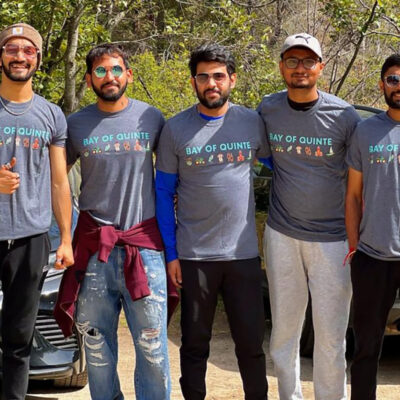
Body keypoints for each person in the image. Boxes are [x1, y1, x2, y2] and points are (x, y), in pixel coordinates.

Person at [54, 43, 172, 400]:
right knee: (96, 344)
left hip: (144, 248)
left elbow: (172, 175)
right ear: (89, 78)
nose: (110, 77)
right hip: (93, 251)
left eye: (117, 69)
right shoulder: (74, 125)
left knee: (152, 346)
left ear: (129, 75)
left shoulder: (151, 118)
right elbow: (56, 180)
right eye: (101, 71)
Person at [156, 43, 269, 400]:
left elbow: (281, 169)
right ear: (193, 82)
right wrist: (171, 254)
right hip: (194, 257)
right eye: (203, 76)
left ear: (232, 80)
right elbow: (162, 194)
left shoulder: (252, 122)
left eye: (218, 76)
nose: (211, 83)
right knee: (194, 346)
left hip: (243, 256)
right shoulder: (175, 129)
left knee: (251, 345)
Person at [257, 33, 360, 400]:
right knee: (284, 333)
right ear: (282, 65)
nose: (300, 69)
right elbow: (265, 158)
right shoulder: (267, 109)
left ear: (321, 66)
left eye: (307, 61)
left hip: (334, 241)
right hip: (282, 235)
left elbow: (359, 177)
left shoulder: (345, 116)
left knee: (331, 337)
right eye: (292, 61)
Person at [0, 23, 73, 400]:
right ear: (1, 56)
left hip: (30, 239)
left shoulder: (50, 114)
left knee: (18, 337)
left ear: (38, 60)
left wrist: (66, 239)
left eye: (28, 50)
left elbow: (60, 182)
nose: (19, 56)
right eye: (12, 49)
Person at [346, 54, 400, 400]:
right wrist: (354, 247)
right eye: (393, 79)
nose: (399, 86)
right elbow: (352, 196)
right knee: (366, 348)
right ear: (382, 85)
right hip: (372, 256)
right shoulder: (365, 131)